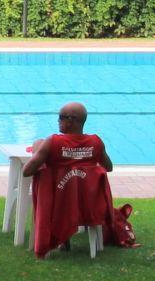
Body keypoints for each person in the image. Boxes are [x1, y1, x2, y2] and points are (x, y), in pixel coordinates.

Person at [21, 102, 136, 258]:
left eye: (60, 117)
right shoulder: (95, 143)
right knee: (72, 187)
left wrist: (37, 149)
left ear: (71, 120)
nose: (58, 121)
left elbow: (26, 171)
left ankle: (63, 238)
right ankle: (65, 238)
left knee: (64, 189)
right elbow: (108, 167)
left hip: (58, 205)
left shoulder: (53, 143)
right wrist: (83, 159)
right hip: (88, 204)